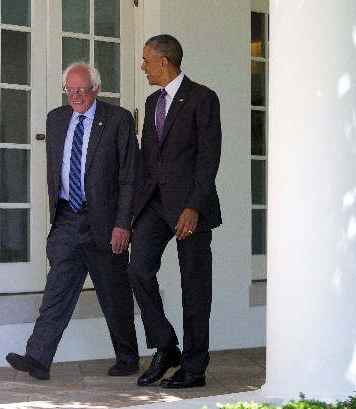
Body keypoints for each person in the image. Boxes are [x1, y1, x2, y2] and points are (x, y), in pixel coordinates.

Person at [6, 62, 140, 380]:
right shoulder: (56, 119)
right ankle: (38, 358)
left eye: (82, 89)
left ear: (96, 89)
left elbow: (130, 176)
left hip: (105, 222)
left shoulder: (118, 119)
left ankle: (128, 357)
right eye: (70, 89)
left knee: (114, 293)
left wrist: (124, 224)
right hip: (67, 218)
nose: (76, 95)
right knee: (56, 291)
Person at [128, 34, 222, 389]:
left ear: (163, 61)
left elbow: (208, 156)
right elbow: (148, 159)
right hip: (154, 203)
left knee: (194, 285)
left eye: (146, 60)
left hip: (189, 207)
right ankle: (166, 345)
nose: (143, 67)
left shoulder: (202, 98)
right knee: (138, 270)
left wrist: (193, 206)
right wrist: (137, 208)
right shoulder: (153, 101)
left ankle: (194, 367)